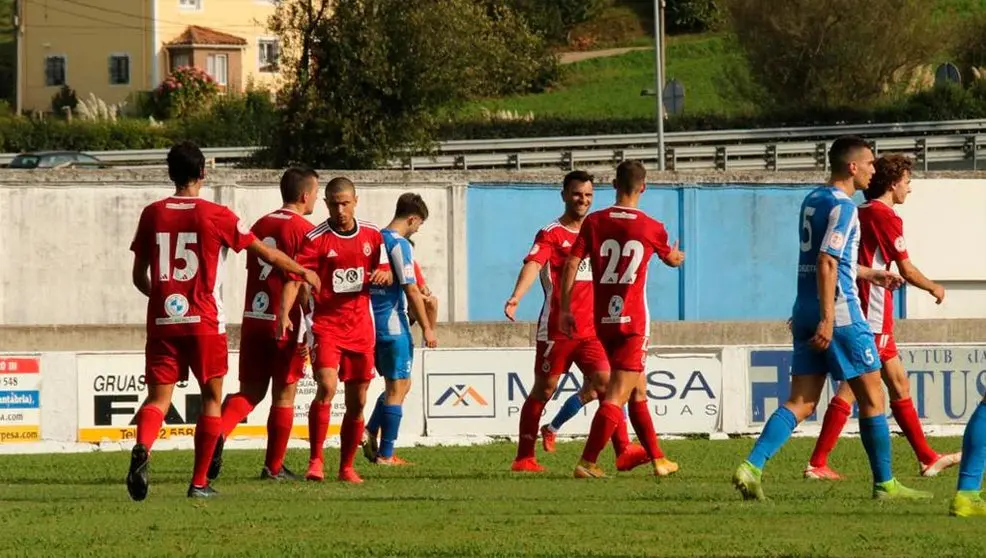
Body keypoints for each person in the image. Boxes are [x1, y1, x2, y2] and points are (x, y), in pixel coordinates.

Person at [732, 136, 931, 501]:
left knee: (802, 402)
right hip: (838, 312)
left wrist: (870, 275)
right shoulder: (846, 207)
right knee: (874, 397)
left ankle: (752, 466)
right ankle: (885, 484)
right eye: (870, 164)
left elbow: (824, 258)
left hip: (804, 306)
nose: (874, 170)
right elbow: (826, 262)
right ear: (852, 167)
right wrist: (827, 317)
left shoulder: (813, 200)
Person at [126, 142, 320, 500]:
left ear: (170, 174)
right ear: (203, 173)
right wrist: (302, 270)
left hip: (163, 320)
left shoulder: (151, 213)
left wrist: (165, 302)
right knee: (211, 398)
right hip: (205, 321)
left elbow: (139, 276)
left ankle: (143, 448)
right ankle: (199, 483)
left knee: (158, 398)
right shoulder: (217, 214)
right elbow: (267, 253)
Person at [804, 154, 958, 480]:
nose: (909, 189)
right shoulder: (884, 215)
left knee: (897, 382)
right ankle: (818, 462)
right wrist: (934, 287)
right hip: (870, 309)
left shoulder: (858, 211)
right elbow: (906, 267)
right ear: (892, 184)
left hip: (867, 305)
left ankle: (927, 457)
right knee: (857, 386)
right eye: (907, 182)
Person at [505, 170, 649, 473]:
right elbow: (534, 264)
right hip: (558, 328)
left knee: (608, 385)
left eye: (588, 195)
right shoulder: (552, 233)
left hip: (594, 330)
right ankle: (524, 457)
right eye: (576, 194)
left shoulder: (598, 229)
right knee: (545, 390)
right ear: (564, 195)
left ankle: (624, 451)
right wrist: (517, 296)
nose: (582, 200)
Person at [561, 161, 684, 479]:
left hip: (604, 321)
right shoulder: (651, 226)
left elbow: (573, 262)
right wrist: (676, 257)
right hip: (633, 323)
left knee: (638, 390)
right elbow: (670, 259)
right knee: (617, 394)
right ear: (643, 187)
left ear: (614, 183)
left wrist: (564, 307)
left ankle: (658, 459)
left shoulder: (595, 222)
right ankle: (587, 462)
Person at [207, 167, 322, 483]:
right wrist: (297, 320)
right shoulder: (304, 230)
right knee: (285, 395)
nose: (315, 199)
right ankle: (273, 467)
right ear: (304, 195)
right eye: (315, 193)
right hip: (283, 322)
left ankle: (219, 431)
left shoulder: (259, 223)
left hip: (253, 319)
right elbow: (295, 279)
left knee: (251, 392)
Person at [278, 177, 392, 484]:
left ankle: (347, 466)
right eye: (334, 203)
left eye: (345, 203)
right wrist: (285, 313)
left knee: (358, 401)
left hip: (360, 328)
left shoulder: (372, 235)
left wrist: (384, 273)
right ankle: (316, 460)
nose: (340, 209)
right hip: (326, 325)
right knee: (326, 386)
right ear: (326, 204)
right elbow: (296, 277)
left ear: (356, 200)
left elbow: (386, 268)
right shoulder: (315, 239)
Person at [362, 193, 439, 465]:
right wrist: (428, 327)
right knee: (398, 388)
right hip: (394, 325)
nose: (418, 229)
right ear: (412, 219)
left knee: (401, 385)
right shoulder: (400, 244)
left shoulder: (372, 239)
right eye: (419, 225)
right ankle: (386, 454)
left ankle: (371, 429)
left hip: (370, 324)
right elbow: (411, 289)